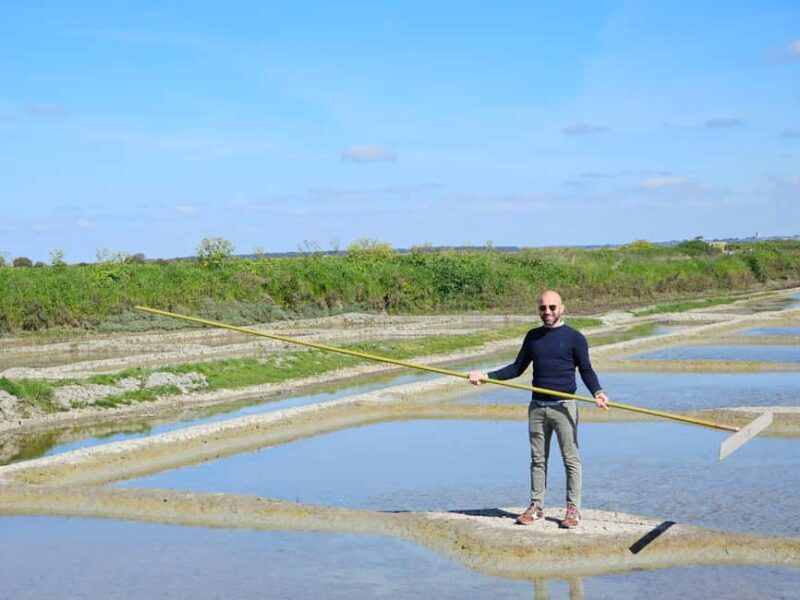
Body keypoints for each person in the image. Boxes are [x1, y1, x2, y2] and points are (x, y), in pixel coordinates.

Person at [468, 289, 609, 528]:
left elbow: (586, 370)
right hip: (537, 407)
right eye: (543, 308)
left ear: (562, 308)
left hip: (564, 406)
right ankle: (536, 507)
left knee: (570, 460)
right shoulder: (533, 337)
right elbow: (516, 368)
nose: (547, 312)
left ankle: (573, 510)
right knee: (538, 460)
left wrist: (597, 392)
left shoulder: (575, 337)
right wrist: (485, 375)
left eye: (552, 307)